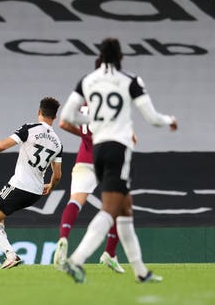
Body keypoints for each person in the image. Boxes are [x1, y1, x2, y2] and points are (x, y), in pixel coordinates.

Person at [59, 37, 177, 284]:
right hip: (118, 149)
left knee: (125, 209)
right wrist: (169, 120)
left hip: (98, 151)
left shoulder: (87, 81)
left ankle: (141, 272)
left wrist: (94, 123)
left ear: (99, 56)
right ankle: (76, 260)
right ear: (121, 56)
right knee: (110, 210)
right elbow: (152, 118)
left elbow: (67, 116)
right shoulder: (130, 80)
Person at [0, 97, 62, 269]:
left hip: (20, 184)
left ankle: (11, 255)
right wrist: (50, 186)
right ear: (55, 117)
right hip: (35, 192)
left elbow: (2, 146)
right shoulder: (58, 143)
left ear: (39, 112)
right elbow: (57, 175)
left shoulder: (29, 129)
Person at [53, 111, 125, 274]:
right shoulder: (108, 102)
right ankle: (110, 254)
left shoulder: (81, 105)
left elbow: (63, 123)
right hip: (107, 161)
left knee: (75, 202)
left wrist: (85, 135)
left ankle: (63, 237)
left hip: (84, 160)